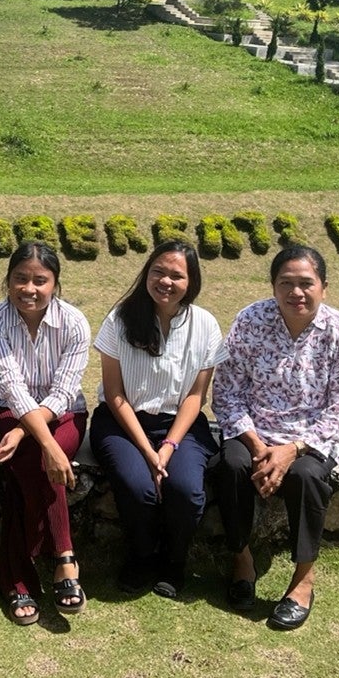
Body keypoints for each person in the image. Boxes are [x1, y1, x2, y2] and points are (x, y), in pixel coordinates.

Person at [213, 244, 339, 631]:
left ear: (324, 288)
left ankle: (303, 579)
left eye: (305, 283)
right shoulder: (251, 321)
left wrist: (292, 450)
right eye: (286, 283)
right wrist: (258, 446)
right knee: (230, 465)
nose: (296, 292)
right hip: (254, 432)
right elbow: (227, 390)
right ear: (273, 287)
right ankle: (242, 559)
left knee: (306, 477)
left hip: (311, 439)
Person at [89, 239, 223, 599]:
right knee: (138, 486)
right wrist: (148, 451)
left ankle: (174, 561)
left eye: (176, 275)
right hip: (122, 422)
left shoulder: (205, 325)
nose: (165, 281)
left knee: (185, 489)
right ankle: (141, 556)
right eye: (158, 272)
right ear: (146, 273)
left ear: (191, 282)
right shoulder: (120, 319)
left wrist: (167, 447)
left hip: (179, 425)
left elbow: (196, 396)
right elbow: (115, 394)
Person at [0, 241, 92, 625]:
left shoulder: (74, 322)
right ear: (8, 281)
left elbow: (64, 390)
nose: (29, 288)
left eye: (40, 280)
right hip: (3, 411)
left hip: (64, 414)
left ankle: (16, 578)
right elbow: (10, 386)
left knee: (22, 475)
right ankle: (64, 557)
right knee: (39, 461)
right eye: (20, 279)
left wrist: (28, 435)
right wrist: (46, 445)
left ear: (55, 283)